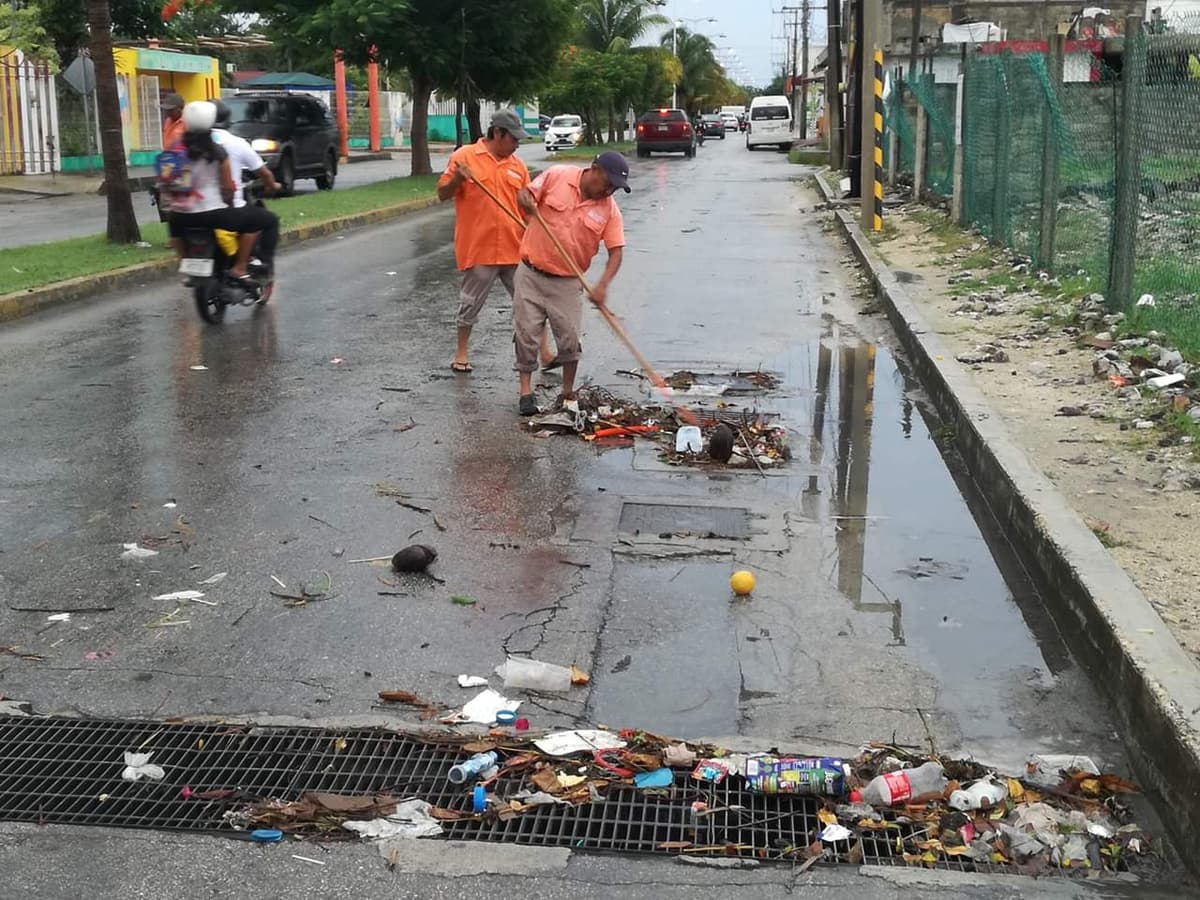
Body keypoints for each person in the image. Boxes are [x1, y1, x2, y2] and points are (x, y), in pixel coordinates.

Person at [436, 108, 553, 374]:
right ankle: (461, 352)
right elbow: (442, 194)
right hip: (480, 247)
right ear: (498, 133)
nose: (516, 145)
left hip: (516, 248)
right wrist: (457, 178)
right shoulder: (465, 157)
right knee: (470, 303)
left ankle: (545, 353)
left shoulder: (518, 166)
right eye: (513, 139)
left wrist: (535, 218)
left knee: (531, 303)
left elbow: (525, 207)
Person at [513, 151, 628, 416]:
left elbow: (616, 252)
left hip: (567, 281)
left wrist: (602, 285)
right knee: (526, 334)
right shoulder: (557, 175)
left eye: (615, 188)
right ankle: (525, 393)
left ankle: (567, 392)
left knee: (569, 340)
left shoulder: (609, 210)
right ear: (594, 169)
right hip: (531, 272)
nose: (610, 191)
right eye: (609, 183)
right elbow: (525, 196)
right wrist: (527, 202)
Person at [163, 101, 275, 281]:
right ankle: (239, 267)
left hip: (180, 216)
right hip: (215, 213)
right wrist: (231, 206)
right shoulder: (217, 152)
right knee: (264, 220)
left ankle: (186, 264)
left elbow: (166, 181)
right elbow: (229, 188)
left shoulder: (173, 150)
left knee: (174, 231)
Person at [213, 100, 281, 275]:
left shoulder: (187, 144)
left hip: (194, 210)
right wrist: (273, 186)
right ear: (227, 121)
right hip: (224, 209)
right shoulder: (235, 143)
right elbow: (264, 173)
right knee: (265, 220)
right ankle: (242, 266)